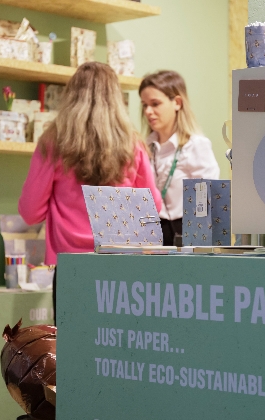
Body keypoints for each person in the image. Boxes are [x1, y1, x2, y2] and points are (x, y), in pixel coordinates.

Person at [19, 62, 161, 324]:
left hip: (71, 267)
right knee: (117, 351)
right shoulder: (133, 145)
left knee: (74, 351)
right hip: (120, 265)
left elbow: (30, 212)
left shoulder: (53, 143)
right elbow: (153, 207)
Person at [139, 70, 220, 245]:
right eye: (144, 105)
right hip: (151, 234)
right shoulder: (145, 146)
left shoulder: (195, 145)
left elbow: (208, 199)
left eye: (155, 104)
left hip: (185, 234)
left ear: (177, 103)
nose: (148, 111)